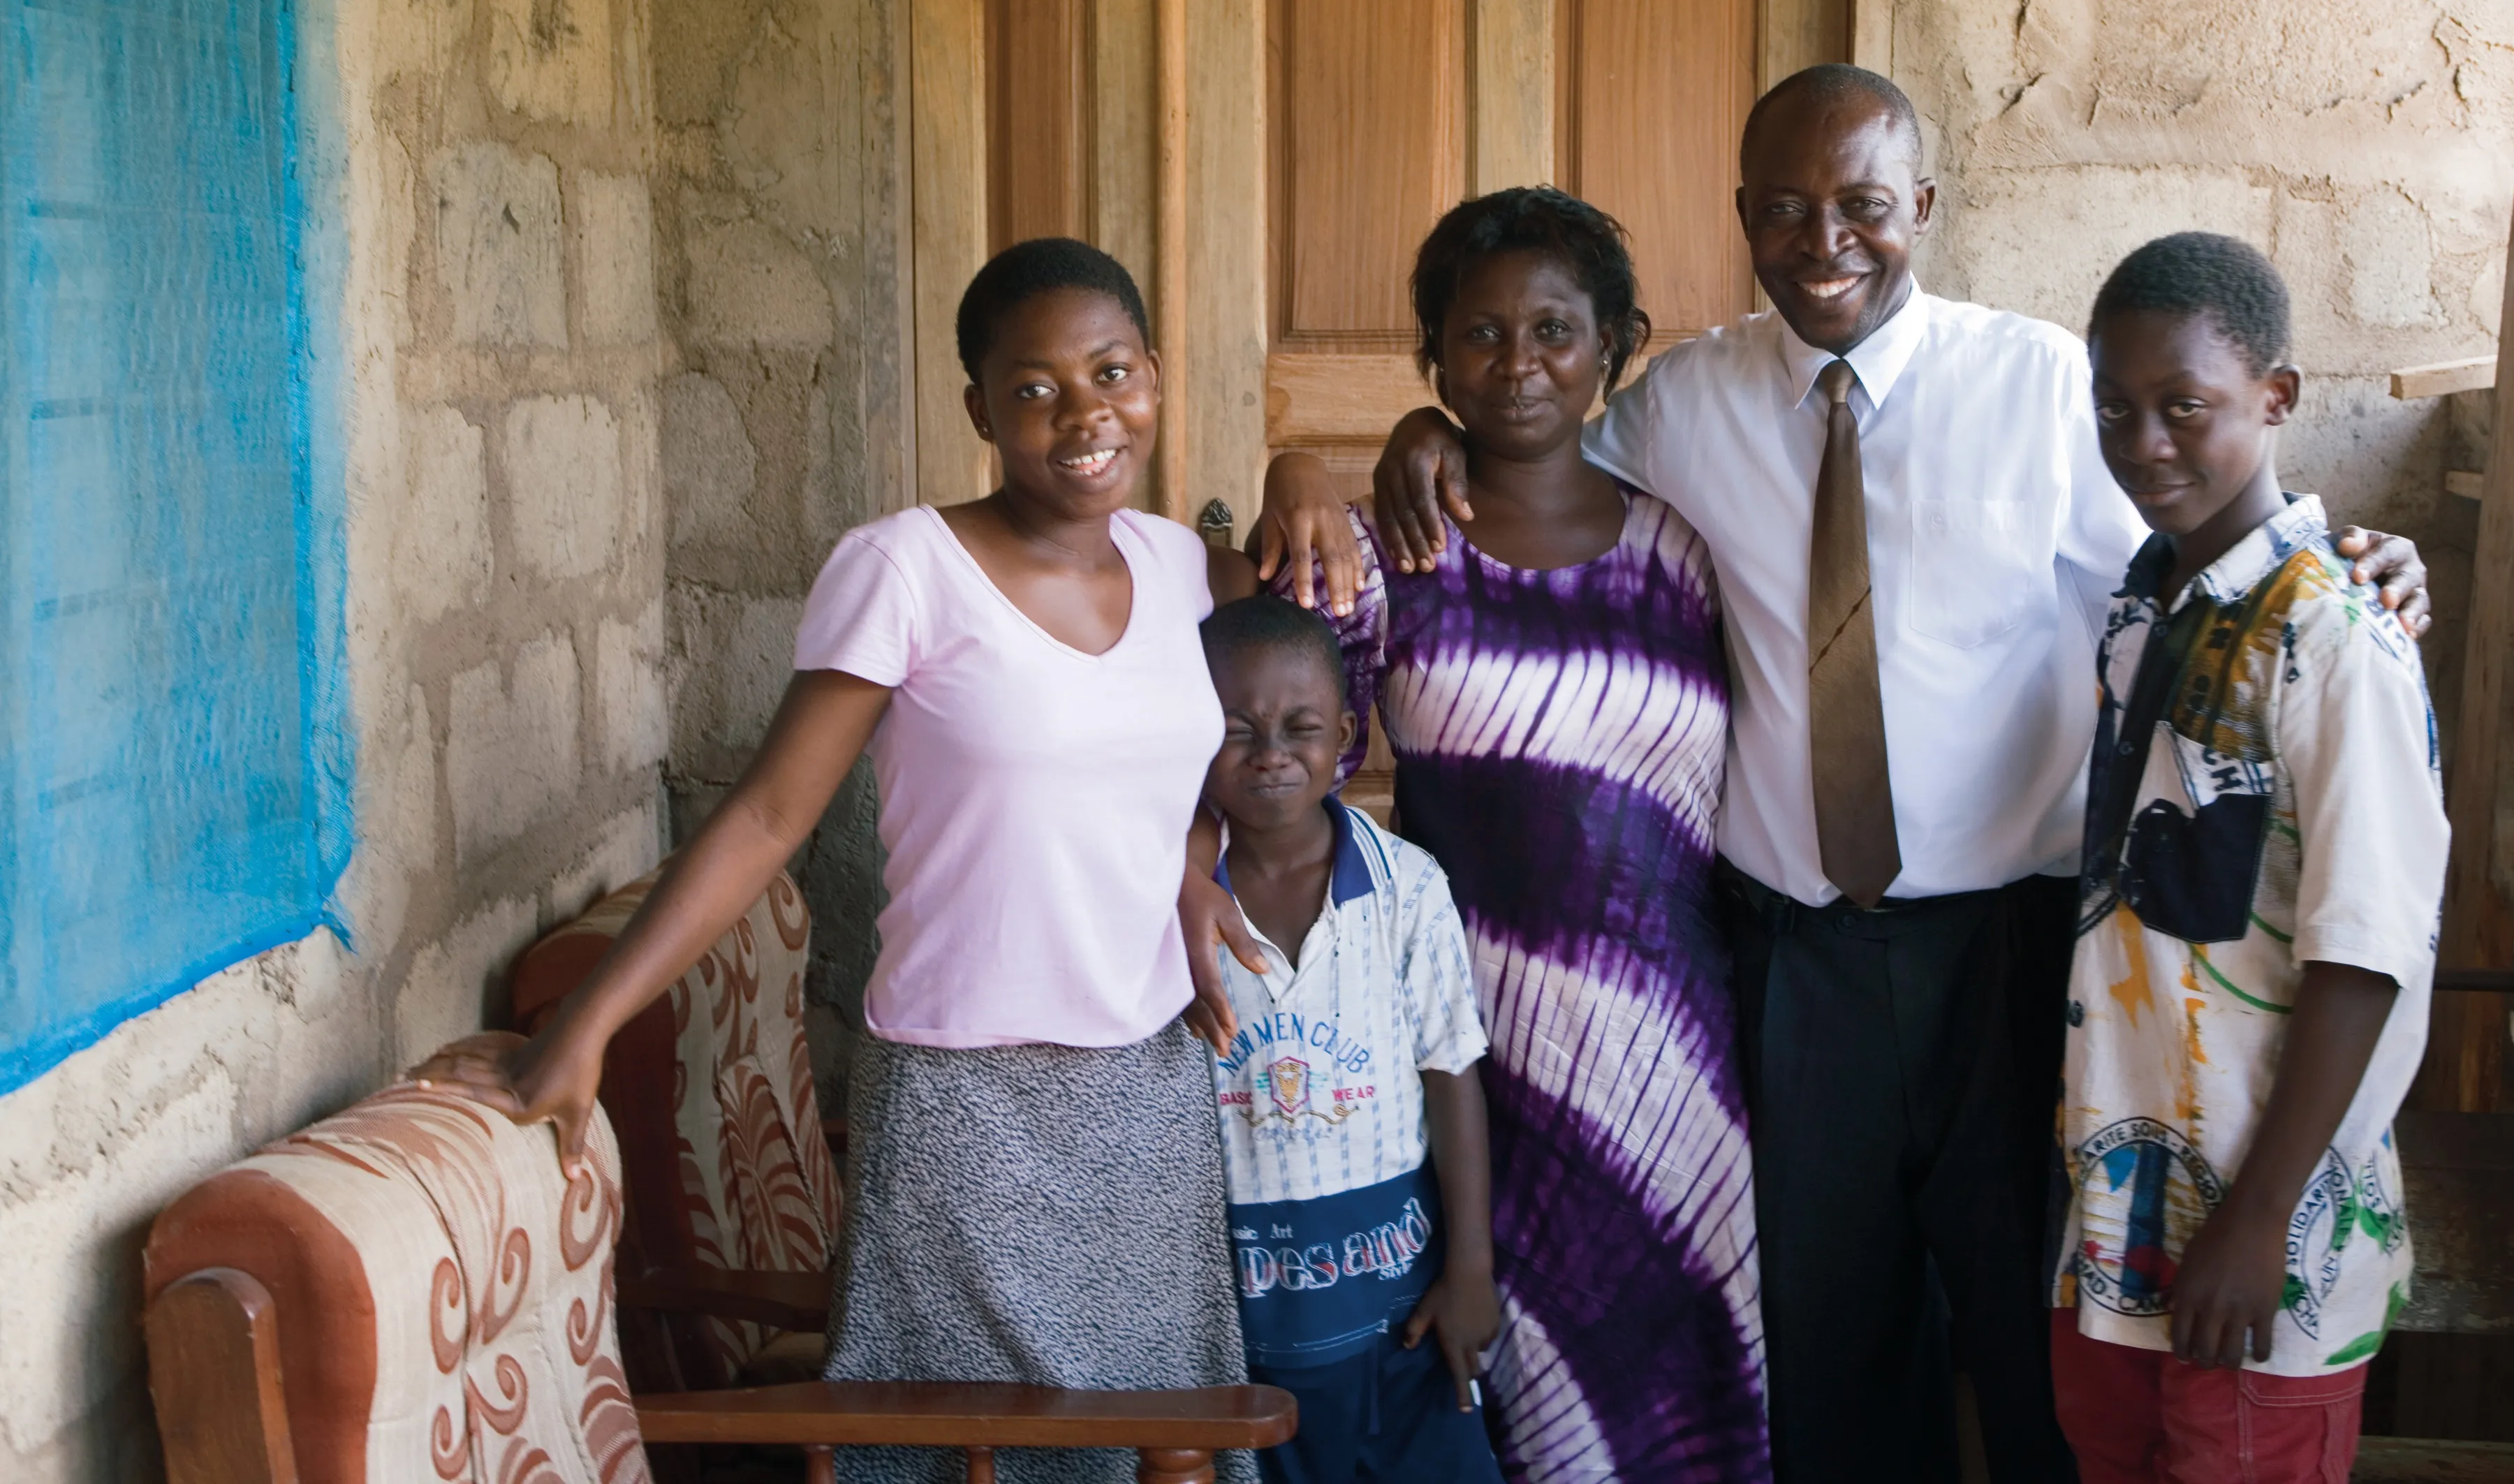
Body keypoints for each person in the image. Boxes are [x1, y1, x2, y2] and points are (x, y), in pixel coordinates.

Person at [1249, 66, 2433, 1481]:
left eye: (1866, 206)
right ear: (1743, 217)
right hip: (1788, 959)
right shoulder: (1681, 401)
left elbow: (2212, 531)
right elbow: (1520, 446)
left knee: (2034, 1340)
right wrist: (1383, 444)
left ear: (1919, 207)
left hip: (2015, 952)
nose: (1829, 242)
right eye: (1789, 210)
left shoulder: (2052, 385)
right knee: (1835, 1354)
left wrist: (2360, 560)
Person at [421, 237, 1263, 1484]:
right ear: (980, 409)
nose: (1085, 414)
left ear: (1154, 377)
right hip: (962, 1103)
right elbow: (768, 819)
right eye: (1034, 389)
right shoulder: (905, 568)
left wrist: (1194, 866)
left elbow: (1208, 769)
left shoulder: (1185, 569)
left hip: (1146, 1095)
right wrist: (594, 1018)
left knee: (1148, 1449)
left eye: (1114, 372)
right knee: (958, 1452)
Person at [1256, 188, 1767, 1484]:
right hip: (1469, 1060)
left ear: (1615, 348)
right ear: (1434, 359)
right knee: (1499, 1390)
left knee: (1678, 1395)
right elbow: (1251, 713)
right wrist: (1294, 471)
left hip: (1674, 1065)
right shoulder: (1389, 559)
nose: (1519, 364)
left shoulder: (1686, 556)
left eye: (1555, 330)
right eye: (1479, 336)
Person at [2053, 233, 2443, 1481]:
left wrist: (2259, 1219)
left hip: (2262, 1224)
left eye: (2187, 408)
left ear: (2276, 398)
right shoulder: (2146, 599)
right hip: (2120, 1216)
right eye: (2117, 408)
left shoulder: (2336, 635)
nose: (2145, 443)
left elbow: (2367, 953)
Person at [1196, 594, 1504, 1484]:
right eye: (1236, 730)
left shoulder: (1408, 887)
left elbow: (1452, 1076)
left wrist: (1472, 1267)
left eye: (1300, 727)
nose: (1271, 755)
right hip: (1245, 1343)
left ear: (1347, 731)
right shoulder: (1173, 908)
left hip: (1403, 1326)